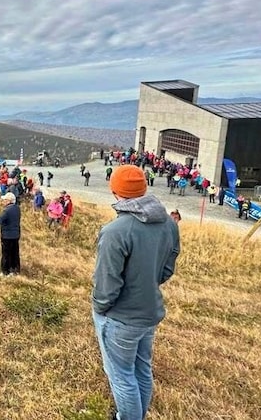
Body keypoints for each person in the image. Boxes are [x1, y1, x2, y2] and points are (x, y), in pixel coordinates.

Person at [92, 164, 180, 420]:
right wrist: (147, 283)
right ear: (144, 188)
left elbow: (107, 283)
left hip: (120, 317)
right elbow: (167, 267)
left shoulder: (115, 232)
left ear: (114, 190)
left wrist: (100, 307)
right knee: (142, 369)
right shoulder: (168, 224)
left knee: (121, 376)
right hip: (149, 311)